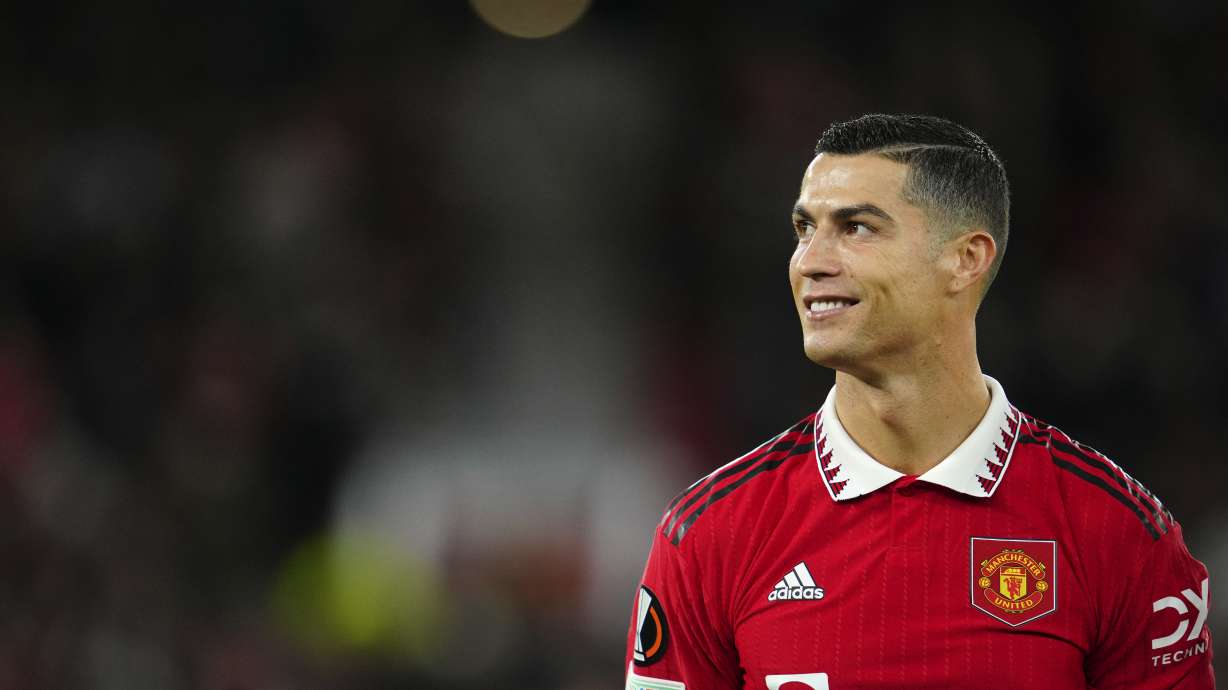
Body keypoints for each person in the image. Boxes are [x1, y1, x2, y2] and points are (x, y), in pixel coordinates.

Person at [625, 114, 1214, 690]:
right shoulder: (710, 534)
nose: (810, 261)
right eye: (805, 228)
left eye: (856, 227)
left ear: (966, 259)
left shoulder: (1118, 532)